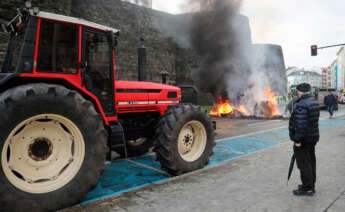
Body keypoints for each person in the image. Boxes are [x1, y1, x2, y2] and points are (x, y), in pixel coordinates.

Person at [289, 83, 320, 196]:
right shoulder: (314, 102)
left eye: (297, 92)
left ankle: (307, 188)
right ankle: (310, 185)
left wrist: (297, 140)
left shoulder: (301, 105)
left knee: (304, 164)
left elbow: (301, 125)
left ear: (300, 92)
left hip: (303, 140)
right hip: (312, 138)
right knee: (311, 162)